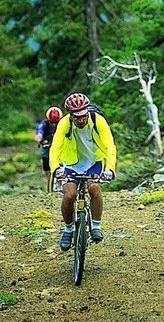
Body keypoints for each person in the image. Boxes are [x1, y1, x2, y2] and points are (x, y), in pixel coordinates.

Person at [50, 93, 117, 251]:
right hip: (72, 163)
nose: (80, 121)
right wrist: (56, 169)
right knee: (69, 195)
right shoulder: (64, 123)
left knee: (94, 188)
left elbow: (109, 146)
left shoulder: (97, 120)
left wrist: (110, 169)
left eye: (83, 116)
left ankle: (96, 226)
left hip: (94, 161)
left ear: (87, 112)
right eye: (76, 117)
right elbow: (55, 148)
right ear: (70, 115)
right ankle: (68, 230)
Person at [35, 106, 62, 186]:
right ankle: (50, 183)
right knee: (46, 165)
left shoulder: (63, 124)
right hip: (47, 146)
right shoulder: (44, 124)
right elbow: (39, 132)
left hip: (59, 147)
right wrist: (40, 139)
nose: (54, 125)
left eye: (55, 123)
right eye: (52, 123)